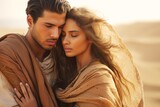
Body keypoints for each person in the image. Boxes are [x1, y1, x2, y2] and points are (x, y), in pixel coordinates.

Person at [15, 7, 144, 107]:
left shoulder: (99, 78)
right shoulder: (69, 71)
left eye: (74, 35)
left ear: (89, 38)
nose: (65, 40)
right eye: (64, 34)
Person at [0, 0, 70, 107]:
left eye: (60, 27)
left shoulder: (63, 58)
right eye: (48, 26)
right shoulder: (8, 55)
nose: (55, 35)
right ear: (30, 21)